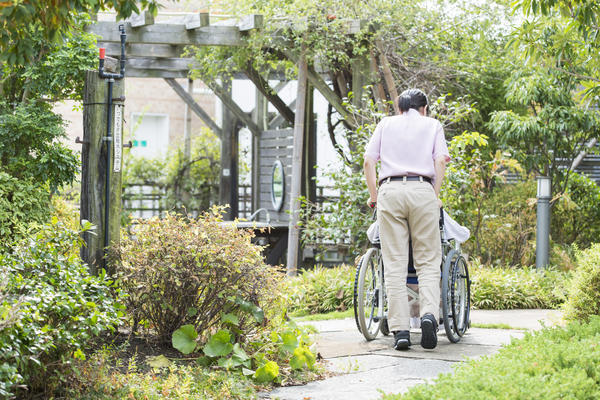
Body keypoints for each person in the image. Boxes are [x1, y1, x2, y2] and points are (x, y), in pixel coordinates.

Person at [363, 89, 450, 350]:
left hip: (389, 190)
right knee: (427, 261)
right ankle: (428, 316)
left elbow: (368, 162)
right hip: (422, 188)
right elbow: (440, 162)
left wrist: (374, 196)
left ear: (400, 107)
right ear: (423, 108)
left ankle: (400, 330)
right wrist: (433, 195)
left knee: (395, 264)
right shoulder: (433, 125)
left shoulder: (385, 124)